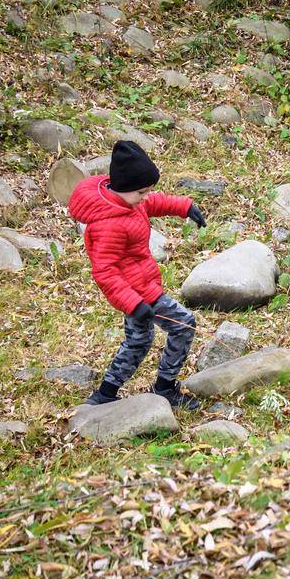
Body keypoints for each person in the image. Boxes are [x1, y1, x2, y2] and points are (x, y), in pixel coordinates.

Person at [68, 141, 207, 408]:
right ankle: (165, 387)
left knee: (139, 341)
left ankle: (106, 393)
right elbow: (105, 272)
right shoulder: (109, 225)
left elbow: (151, 203)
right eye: (142, 191)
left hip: (141, 286)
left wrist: (184, 206)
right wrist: (134, 304)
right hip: (137, 292)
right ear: (124, 188)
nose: (146, 197)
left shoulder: (128, 201)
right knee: (183, 324)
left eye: (147, 191)